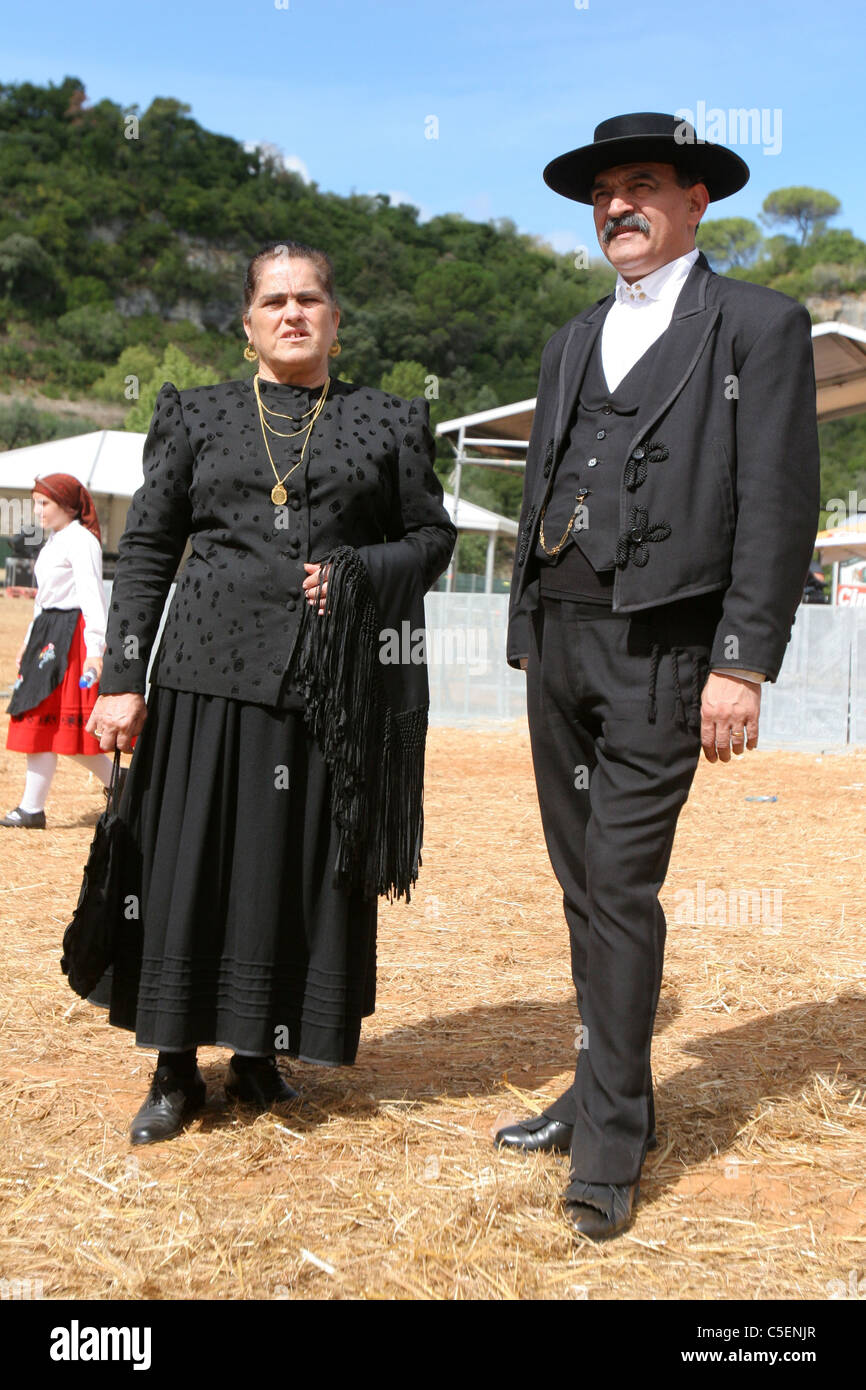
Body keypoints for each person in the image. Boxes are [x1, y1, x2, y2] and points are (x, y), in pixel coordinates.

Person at [496, 113, 820, 1239]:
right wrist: (525, 626)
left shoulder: (758, 325)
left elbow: (777, 499)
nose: (615, 207)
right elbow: (549, 476)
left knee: (620, 890)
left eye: (639, 186)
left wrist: (740, 659)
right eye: (601, 193)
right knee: (582, 891)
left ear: (693, 201)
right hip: (562, 642)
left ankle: (610, 1143)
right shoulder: (570, 336)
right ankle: (594, 1086)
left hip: (666, 651)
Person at [86, 239, 456, 1145]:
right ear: (248, 324)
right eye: (273, 301)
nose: (293, 313)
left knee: (287, 871)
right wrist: (123, 677)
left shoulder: (388, 421)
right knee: (187, 871)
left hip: (328, 693)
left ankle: (259, 1056)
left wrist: (361, 571)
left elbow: (431, 539)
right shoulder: (197, 415)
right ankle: (174, 1068)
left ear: (336, 318)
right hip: (204, 679)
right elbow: (145, 553)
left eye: (310, 299)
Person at [3, 474, 113, 829]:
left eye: (44, 503)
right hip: (48, 634)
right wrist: (27, 642)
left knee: (66, 728)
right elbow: (43, 599)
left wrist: (96, 649)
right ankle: (32, 808)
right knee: (40, 720)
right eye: (35, 502)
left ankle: (118, 782)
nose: (37, 511)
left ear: (68, 506)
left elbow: (92, 597)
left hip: (72, 638)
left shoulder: (82, 542)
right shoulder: (54, 542)